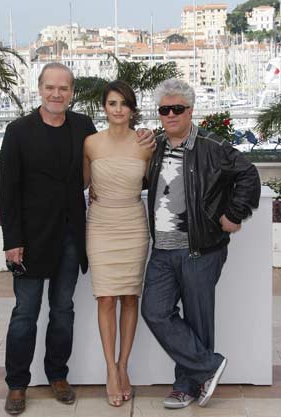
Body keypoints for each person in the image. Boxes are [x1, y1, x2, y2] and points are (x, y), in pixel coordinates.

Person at [0, 64, 154, 415]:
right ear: (39, 89)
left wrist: (144, 139)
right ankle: (17, 384)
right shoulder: (18, 130)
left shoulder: (83, 128)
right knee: (25, 312)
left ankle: (57, 376)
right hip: (30, 239)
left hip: (71, 236)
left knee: (63, 310)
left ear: (71, 92)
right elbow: (6, 190)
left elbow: (109, 156)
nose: (57, 94)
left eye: (64, 88)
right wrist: (12, 240)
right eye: (51, 87)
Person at [141, 78, 261, 409]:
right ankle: (208, 366)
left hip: (200, 249)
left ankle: (186, 387)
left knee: (197, 319)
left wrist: (234, 214)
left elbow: (249, 175)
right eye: (164, 110)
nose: (170, 115)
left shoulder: (211, 145)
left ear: (190, 110)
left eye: (177, 109)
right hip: (162, 250)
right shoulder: (157, 146)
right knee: (154, 310)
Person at [83, 80, 152, 407]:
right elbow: (83, 184)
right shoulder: (90, 144)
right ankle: (110, 369)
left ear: (132, 109)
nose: (119, 109)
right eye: (113, 103)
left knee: (129, 296)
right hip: (100, 225)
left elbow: (156, 183)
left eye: (124, 103)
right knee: (106, 298)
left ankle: (124, 366)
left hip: (133, 225)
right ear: (105, 108)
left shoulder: (146, 144)